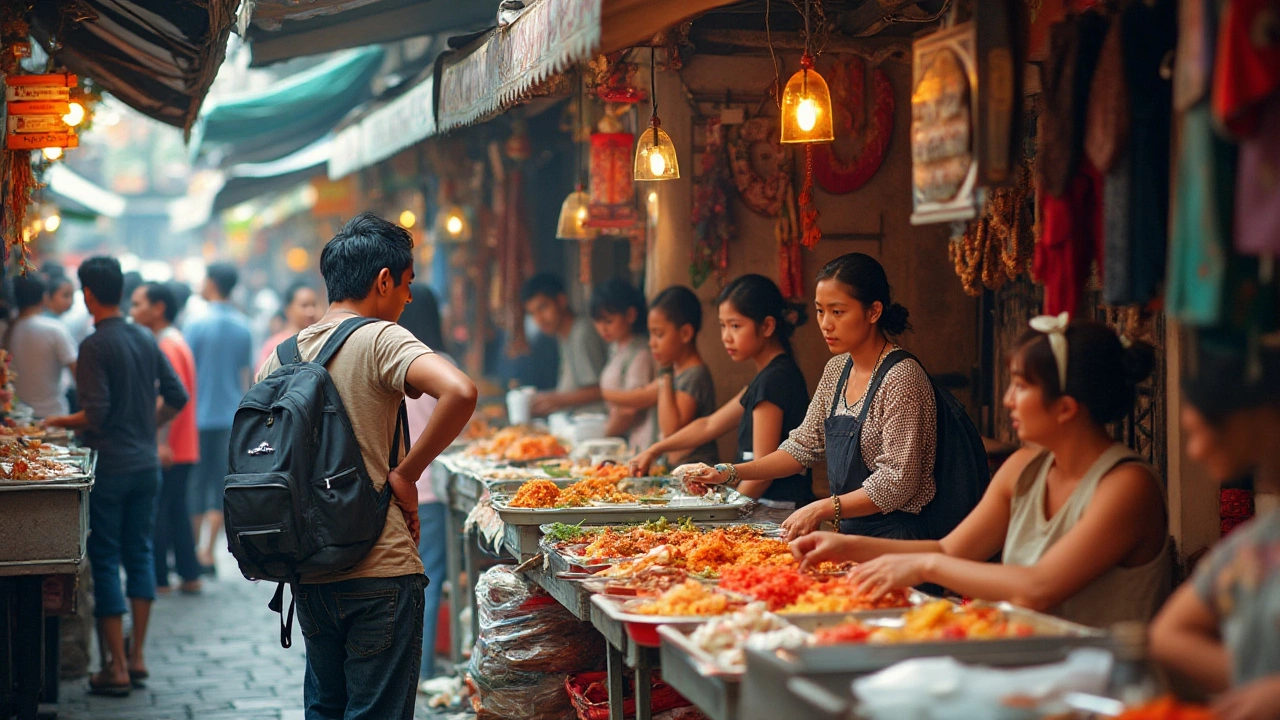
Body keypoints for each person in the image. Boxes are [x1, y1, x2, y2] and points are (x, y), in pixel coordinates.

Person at [791, 317, 1172, 628]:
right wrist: (848, 547)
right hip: (1029, 662)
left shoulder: (1126, 487)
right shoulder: (1025, 467)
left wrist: (924, 566)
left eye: (1021, 386)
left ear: (1066, 407)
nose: (1008, 400)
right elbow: (948, 550)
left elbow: (1038, 587)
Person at [255, 213, 476, 720]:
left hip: (309, 569)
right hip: (381, 570)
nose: (409, 298)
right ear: (383, 280)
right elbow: (461, 391)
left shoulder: (280, 356)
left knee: (326, 710)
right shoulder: (380, 337)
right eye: (407, 284)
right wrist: (406, 472)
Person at [678, 254, 939, 541]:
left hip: (896, 538)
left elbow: (898, 482)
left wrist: (823, 508)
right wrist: (726, 473)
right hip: (849, 532)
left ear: (874, 311)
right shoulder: (837, 370)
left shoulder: (901, 377)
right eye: (820, 311)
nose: (825, 324)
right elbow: (800, 448)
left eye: (837, 312)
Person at [44, 257, 188, 697]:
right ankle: (138, 657)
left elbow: (97, 414)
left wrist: (56, 422)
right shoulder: (145, 338)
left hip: (111, 466)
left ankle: (116, 669)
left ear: (88, 294)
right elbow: (176, 395)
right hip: (146, 465)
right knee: (140, 553)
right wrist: (149, 425)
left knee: (105, 558)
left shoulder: (93, 345)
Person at [1150, 340, 1280, 719]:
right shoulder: (1257, 542)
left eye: (1199, 430)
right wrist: (1258, 686)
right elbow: (1168, 635)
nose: (1193, 450)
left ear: (1251, 421)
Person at [631, 275, 813, 522]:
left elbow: (762, 472)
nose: (726, 336)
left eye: (736, 326)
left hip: (776, 508)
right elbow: (709, 424)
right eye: (723, 325)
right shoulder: (765, 379)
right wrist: (655, 449)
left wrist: (726, 517)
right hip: (764, 504)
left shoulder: (774, 380)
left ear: (767, 327)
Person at [395, 283, 453, 687]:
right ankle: (424, 669)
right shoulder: (439, 365)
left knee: (403, 583)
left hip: (396, 489)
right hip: (429, 490)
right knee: (430, 580)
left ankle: (405, 668)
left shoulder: (389, 363)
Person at [129, 282, 203, 595]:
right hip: (180, 443)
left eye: (137, 304)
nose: (132, 312)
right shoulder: (172, 341)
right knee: (174, 512)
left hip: (171, 445)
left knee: (160, 513)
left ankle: (161, 579)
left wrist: (160, 441)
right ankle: (188, 574)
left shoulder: (168, 346)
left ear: (158, 308)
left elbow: (170, 399)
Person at [184, 262, 253, 571]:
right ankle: (208, 553)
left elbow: (184, 375)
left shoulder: (195, 324)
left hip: (196, 418)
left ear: (211, 283)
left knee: (195, 484)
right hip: (230, 417)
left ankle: (192, 550)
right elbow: (247, 377)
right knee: (220, 483)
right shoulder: (243, 326)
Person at [606, 286, 717, 466]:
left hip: (695, 474)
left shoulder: (694, 375)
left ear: (685, 333)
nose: (652, 343)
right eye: (651, 334)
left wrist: (665, 373)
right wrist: (604, 393)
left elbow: (670, 429)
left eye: (659, 334)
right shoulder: (678, 371)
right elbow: (638, 397)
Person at [523, 273, 607, 416]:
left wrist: (557, 399)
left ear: (561, 301)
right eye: (532, 313)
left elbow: (601, 390)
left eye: (543, 308)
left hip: (594, 425)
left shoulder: (582, 333)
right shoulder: (563, 336)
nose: (539, 319)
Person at [589, 279, 656, 449]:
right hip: (623, 437)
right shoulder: (616, 348)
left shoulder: (640, 352)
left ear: (630, 315)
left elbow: (630, 411)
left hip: (640, 440)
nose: (602, 328)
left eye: (608, 321)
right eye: (598, 321)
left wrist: (598, 440)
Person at [5, 273, 76, 418]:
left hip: (16, 420)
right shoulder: (54, 329)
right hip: (54, 419)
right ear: (44, 298)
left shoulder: (5, 331)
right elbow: (78, 374)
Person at [257, 281, 321, 368]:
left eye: (313, 305)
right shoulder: (275, 345)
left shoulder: (319, 341)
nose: (311, 312)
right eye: (304, 306)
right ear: (288, 309)